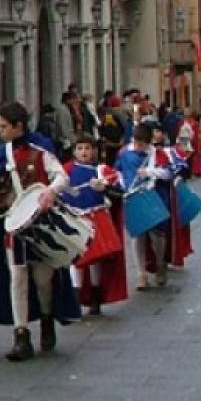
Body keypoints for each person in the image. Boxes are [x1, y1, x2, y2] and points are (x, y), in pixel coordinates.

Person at [0, 100, 79, 362]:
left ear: (19, 126)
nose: (0, 131)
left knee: (43, 280)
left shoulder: (42, 149)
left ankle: (47, 318)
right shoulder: (2, 153)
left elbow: (61, 176)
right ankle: (21, 336)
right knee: (17, 277)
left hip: (41, 223)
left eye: (4, 126)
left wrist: (51, 191)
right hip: (14, 225)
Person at [114, 122, 187, 290]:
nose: (139, 147)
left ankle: (160, 264)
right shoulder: (124, 153)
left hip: (155, 197)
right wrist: (121, 184)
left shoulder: (159, 154)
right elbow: (117, 171)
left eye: (142, 144)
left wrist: (150, 172)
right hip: (133, 196)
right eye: (136, 142)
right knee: (137, 235)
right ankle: (141, 274)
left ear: (149, 142)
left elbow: (169, 172)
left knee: (158, 235)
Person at [62, 135, 127, 315]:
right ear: (74, 151)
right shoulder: (66, 170)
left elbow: (121, 187)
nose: (84, 152)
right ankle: (74, 300)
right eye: (80, 148)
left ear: (94, 151)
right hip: (74, 219)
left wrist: (104, 187)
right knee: (76, 260)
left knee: (95, 259)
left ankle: (96, 297)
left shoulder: (101, 170)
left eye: (87, 148)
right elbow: (54, 188)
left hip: (96, 219)